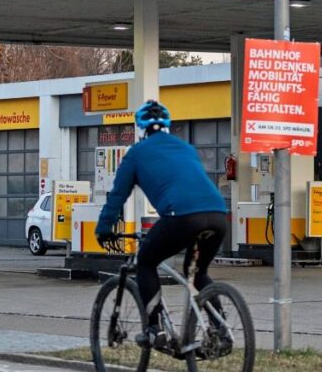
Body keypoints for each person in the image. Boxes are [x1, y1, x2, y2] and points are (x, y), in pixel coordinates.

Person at [95, 100, 229, 349]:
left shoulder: (136, 153)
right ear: (167, 126)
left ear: (141, 128)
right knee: (197, 271)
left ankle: (154, 330)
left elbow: (117, 196)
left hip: (182, 217)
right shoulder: (186, 148)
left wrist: (104, 228)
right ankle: (220, 329)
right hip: (218, 215)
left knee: (146, 261)